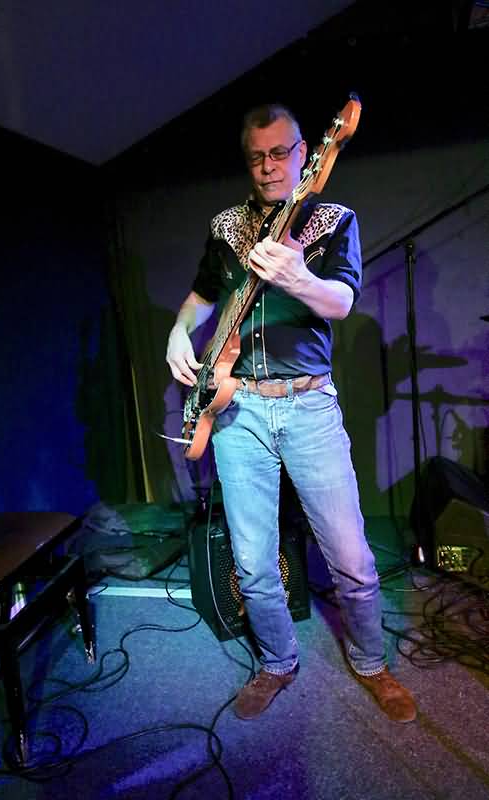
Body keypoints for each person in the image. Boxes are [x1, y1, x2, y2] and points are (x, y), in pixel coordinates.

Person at [166, 103, 417, 723]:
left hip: (308, 405)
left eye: (280, 153)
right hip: (236, 409)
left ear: (306, 152)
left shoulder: (332, 219)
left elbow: (340, 302)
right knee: (253, 560)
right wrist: (179, 329)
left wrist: (299, 277)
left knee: (351, 557)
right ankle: (277, 662)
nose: (269, 166)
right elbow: (202, 296)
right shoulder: (227, 226)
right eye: (257, 156)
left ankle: (371, 663)